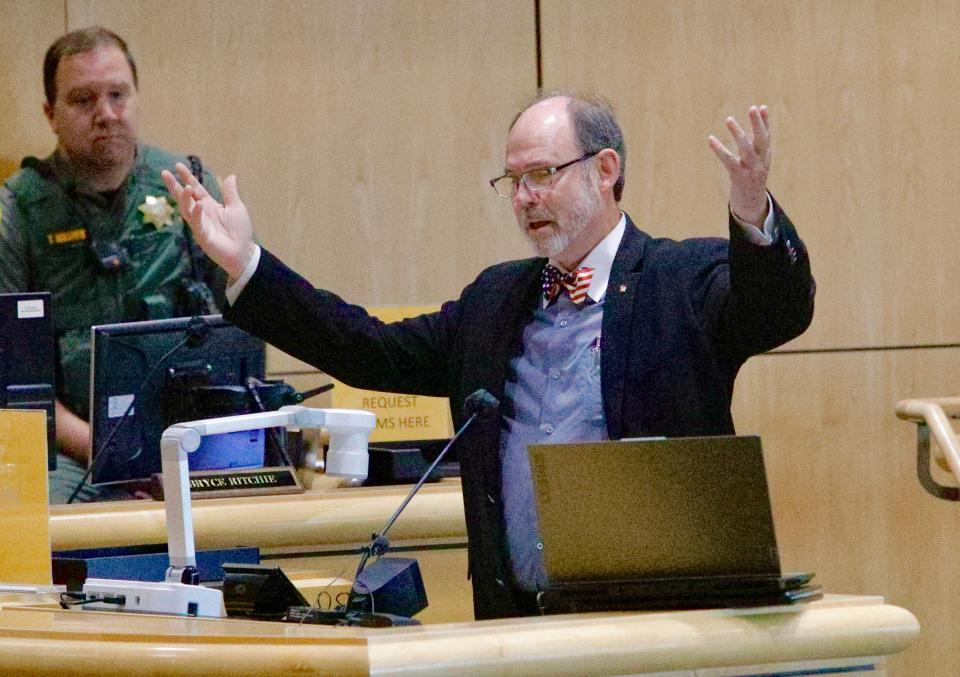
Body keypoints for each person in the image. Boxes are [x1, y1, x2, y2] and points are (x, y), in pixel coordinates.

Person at [161, 91, 815, 619]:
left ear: (606, 169)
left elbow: (777, 312)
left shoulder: (680, 279)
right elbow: (366, 348)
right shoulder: (496, 299)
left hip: (659, 626)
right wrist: (245, 263)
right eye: (514, 180)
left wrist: (753, 214)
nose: (525, 197)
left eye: (542, 175)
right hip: (519, 622)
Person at [0, 27, 226, 503]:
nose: (105, 114)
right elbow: (14, 384)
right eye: (83, 100)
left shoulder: (188, 186)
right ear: (50, 114)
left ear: (136, 98)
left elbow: (244, 323)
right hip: (70, 449)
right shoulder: (18, 211)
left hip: (188, 442)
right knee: (45, 525)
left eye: (117, 95)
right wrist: (112, 452)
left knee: (253, 519)